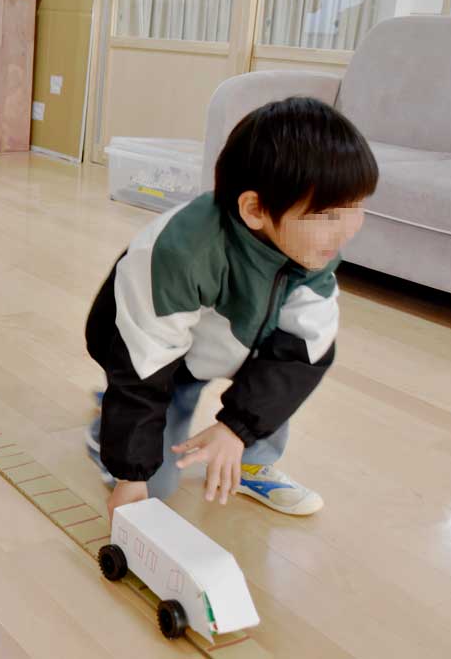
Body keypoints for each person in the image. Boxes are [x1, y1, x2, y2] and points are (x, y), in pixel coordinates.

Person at [86, 97, 379, 519]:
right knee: (156, 483)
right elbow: (143, 364)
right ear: (255, 209)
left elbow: (303, 351)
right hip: (167, 358)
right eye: (329, 214)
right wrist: (131, 476)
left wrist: (236, 430)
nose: (349, 229)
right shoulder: (181, 254)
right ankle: (107, 426)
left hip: (245, 342)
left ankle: (253, 462)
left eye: (356, 207)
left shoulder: (313, 250)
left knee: (278, 383)